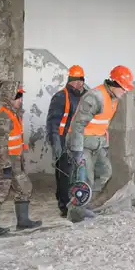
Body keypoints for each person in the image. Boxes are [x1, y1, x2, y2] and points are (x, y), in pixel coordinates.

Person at [66, 65, 134, 222]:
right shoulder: (95, 97)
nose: (125, 92)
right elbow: (78, 125)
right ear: (115, 84)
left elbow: (103, 124)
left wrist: (104, 145)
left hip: (97, 143)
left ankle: (84, 203)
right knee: (85, 179)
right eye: (124, 88)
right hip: (83, 144)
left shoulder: (113, 98)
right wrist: (77, 151)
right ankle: (75, 213)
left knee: (105, 172)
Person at [0, 82, 41, 236]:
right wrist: (5, 166)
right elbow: (0, 145)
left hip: (14, 161)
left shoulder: (13, 114)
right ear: (8, 98)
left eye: (21, 96)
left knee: (24, 188)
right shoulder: (2, 117)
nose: (20, 99)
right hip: (0, 162)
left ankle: (23, 222)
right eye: (17, 96)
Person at [46, 65, 86, 217]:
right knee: (65, 175)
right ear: (69, 81)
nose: (79, 83)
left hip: (80, 140)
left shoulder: (86, 96)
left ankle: (79, 201)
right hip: (63, 141)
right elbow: (53, 123)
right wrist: (56, 144)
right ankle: (64, 205)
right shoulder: (61, 97)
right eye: (75, 80)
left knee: (79, 173)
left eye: (81, 80)